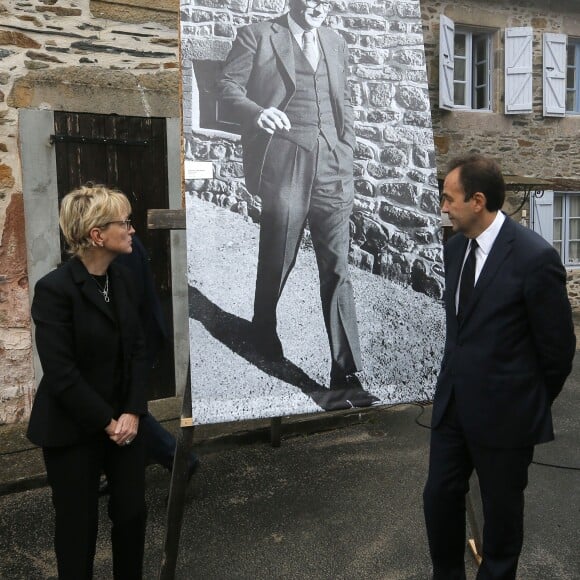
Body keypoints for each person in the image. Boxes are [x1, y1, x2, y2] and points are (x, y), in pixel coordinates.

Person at [423, 154, 576, 580]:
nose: (443, 207)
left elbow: (558, 350)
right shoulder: (454, 250)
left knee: (501, 519)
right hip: (453, 410)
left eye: (449, 198)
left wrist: (527, 401)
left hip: (506, 418)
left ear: (477, 200)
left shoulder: (534, 257)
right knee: (438, 498)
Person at [217, 0, 374, 405]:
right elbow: (225, 87)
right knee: (278, 255)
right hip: (285, 160)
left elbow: (344, 101)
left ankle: (346, 373)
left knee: (337, 267)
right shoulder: (258, 35)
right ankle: (263, 326)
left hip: (333, 166)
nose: (318, 8)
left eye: (326, 2)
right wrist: (257, 112)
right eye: (311, 1)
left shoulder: (336, 42)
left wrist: (347, 147)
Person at [27, 185, 148, 579]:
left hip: (124, 425)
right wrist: (108, 423)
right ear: (97, 235)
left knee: (131, 514)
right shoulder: (54, 290)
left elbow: (138, 352)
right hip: (73, 428)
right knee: (78, 528)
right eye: (124, 223)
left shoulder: (124, 281)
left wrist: (131, 411)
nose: (131, 230)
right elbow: (61, 373)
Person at [116, 235, 199, 479]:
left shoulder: (123, 246)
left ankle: (178, 459)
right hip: (138, 333)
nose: (128, 230)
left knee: (127, 404)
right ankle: (124, 470)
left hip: (139, 335)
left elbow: (130, 302)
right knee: (123, 402)